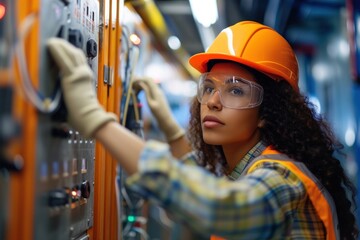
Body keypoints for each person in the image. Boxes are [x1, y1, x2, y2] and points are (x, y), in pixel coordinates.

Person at [47, 21, 358, 239]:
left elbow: (221, 207)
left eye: (236, 90)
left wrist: (95, 120)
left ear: (268, 112)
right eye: (208, 87)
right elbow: (210, 184)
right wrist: (170, 129)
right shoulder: (247, 168)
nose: (213, 102)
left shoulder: (282, 177)